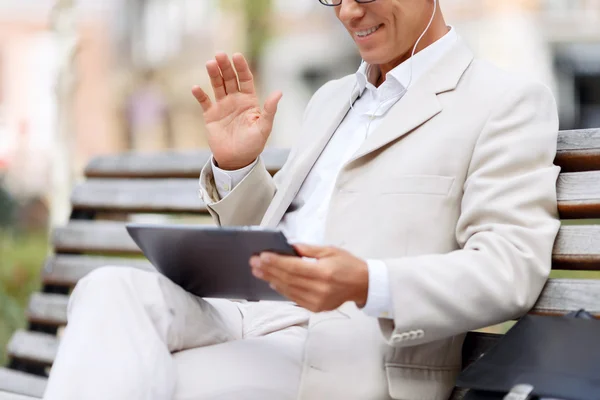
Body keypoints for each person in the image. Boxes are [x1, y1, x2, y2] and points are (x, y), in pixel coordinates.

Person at [43, 0, 560, 399]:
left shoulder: (503, 101)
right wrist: (236, 166)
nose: (349, 11)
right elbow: (276, 237)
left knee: (141, 378)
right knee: (108, 287)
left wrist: (367, 281)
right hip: (246, 311)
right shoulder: (332, 99)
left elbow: (508, 267)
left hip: (347, 349)